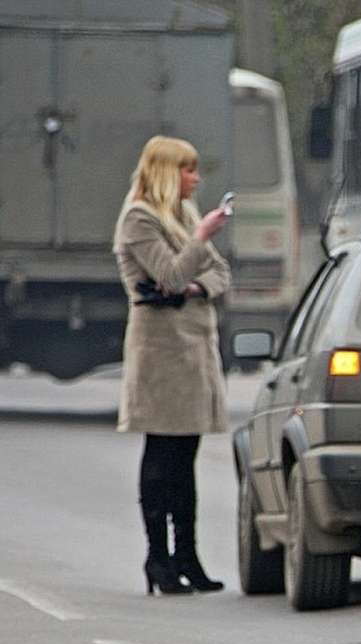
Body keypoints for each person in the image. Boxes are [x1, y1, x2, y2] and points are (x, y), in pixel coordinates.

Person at [113, 135, 231, 595]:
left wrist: (194, 288)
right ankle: (157, 558)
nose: (196, 179)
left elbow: (216, 274)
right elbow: (170, 273)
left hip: (194, 347)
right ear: (165, 172)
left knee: (187, 457)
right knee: (162, 455)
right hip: (161, 352)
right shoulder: (138, 218)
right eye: (188, 170)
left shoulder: (183, 213)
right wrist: (198, 245)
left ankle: (188, 557)